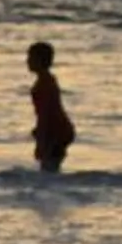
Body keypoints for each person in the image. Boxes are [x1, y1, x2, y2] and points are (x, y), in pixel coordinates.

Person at [26, 41, 75, 173]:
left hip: (56, 132)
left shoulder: (45, 83)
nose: (27, 61)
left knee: (48, 170)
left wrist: (41, 142)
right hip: (58, 130)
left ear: (39, 60)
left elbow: (45, 115)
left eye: (30, 57)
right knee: (50, 169)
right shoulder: (47, 80)